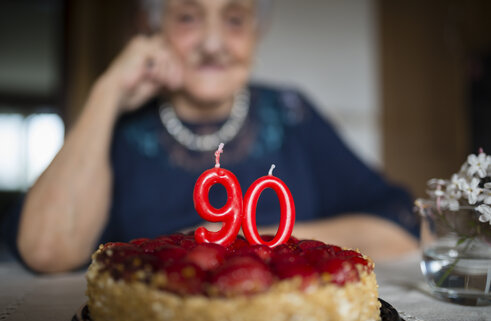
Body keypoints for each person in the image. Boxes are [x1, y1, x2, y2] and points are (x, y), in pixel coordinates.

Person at [2, 0, 418, 273]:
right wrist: (107, 92)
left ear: (257, 30)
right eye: (187, 17)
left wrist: (253, 243)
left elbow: (404, 225)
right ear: (151, 26)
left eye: (234, 19)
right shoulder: (120, 129)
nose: (214, 43)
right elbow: (46, 251)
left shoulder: (293, 113)